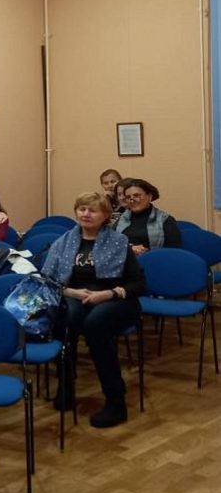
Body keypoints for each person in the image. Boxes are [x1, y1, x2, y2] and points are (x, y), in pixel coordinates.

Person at [42, 191, 145, 428]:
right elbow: (47, 280)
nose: (86, 214)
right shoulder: (63, 241)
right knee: (64, 318)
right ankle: (66, 385)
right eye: (82, 209)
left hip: (115, 297)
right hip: (76, 294)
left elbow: (138, 284)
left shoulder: (119, 242)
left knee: (95, 324)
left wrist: (108, 294)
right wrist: (72, 292)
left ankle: (115, 400)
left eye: (92, 210)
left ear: (105, 215)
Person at [113, 178, 181, 254]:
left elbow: (174, 252)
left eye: (136, 195)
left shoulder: (165, 220)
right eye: (128, 197)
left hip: (154, 259)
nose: (132, 200)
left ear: (149, 196)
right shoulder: (122, 219)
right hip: (124, 260)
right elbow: (109, 243)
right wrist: (129, 248)